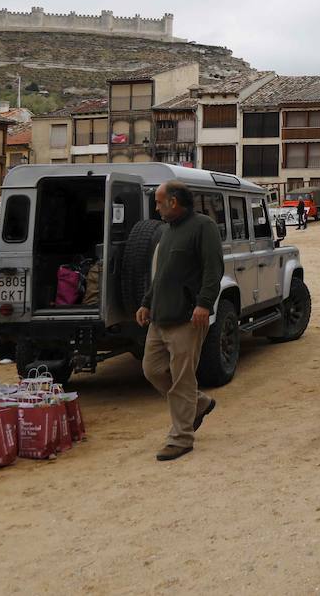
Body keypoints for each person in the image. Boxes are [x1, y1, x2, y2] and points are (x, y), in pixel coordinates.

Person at [136, 179, 224, 461]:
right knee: (152, 370)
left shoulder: (203, 226)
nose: (156, 207)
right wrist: (147, 303)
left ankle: (181, 437)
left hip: (187, 317)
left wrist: (204, 304)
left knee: (183, 379)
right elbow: (161, 274)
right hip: (159, 318)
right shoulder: (167, 232)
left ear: (174, 202)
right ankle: (199, 404)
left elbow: (214, 269)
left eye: (159, 202)